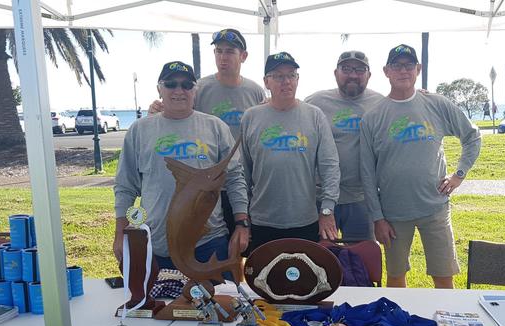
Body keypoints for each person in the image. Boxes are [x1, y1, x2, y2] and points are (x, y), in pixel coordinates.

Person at [360, 44, 481, 289]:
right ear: (386, 71)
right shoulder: (373, 117)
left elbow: (472, 137)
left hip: (434, 208)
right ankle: (399, 324)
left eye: (408, 65)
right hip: (393, 214)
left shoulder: (436, 104)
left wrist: (458, 175)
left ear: (418, 69)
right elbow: (367, 173)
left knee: (443, 275)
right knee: (395, 276)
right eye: (396, 65)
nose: (403, 70)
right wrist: (378, 218)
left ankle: (446, 322)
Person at [113, 60, 249, 272]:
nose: (179, 90)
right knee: (162, 306)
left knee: (218, 304)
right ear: (159, 89)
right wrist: (121, 232)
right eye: (171, 84)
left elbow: (234, 178)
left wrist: (241, 224)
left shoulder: (215, 127)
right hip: (156, 245)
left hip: (209, 243)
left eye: (186, 85)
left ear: (195, 90)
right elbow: (125, 187)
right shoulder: (140, 130)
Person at [149, 28, 265, 239]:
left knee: (241, 244)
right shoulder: (198, 87)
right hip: (205, 188)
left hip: (241, 184)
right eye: (218, 51)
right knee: (204, 239)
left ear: (244, 56)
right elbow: (178, 114)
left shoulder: (255, 91)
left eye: (230, 51)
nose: (223, 57)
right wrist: (156, 109)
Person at [241, 52, 340, 253]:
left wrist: (327, 209)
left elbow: (330, 166)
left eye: (291, 75)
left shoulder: (314, 116)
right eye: (278, 76)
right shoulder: (251, 117)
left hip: (305, 221)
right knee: (264, 279)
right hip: (263, 221)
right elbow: (242, 172)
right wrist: (243, 217)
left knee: (303, 281)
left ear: (297, 80)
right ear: (266, 82)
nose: (286, 81)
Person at [305, 51, 384, 240]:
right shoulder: (315, 103)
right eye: (346, 69)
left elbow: (405, 107)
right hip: (320, 198)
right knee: (319, 261)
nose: (353, 75)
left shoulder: (381, 103)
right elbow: (290, 112)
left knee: (362, 261)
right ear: (335, 73)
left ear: (369, 75)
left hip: (361, 199)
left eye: (359, 69)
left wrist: (422, 95)